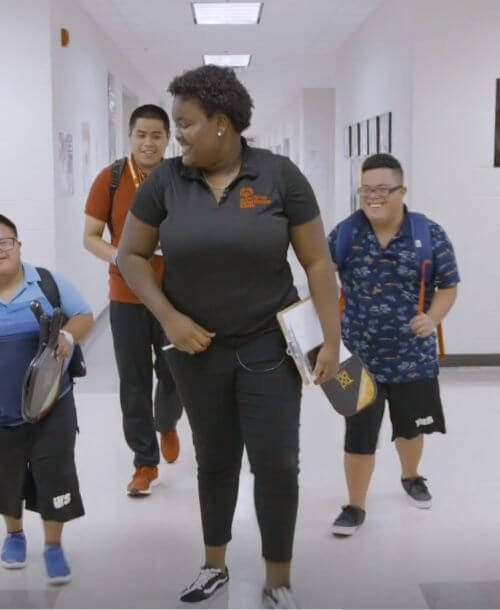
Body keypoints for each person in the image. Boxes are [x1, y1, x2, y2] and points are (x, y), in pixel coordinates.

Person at [117, 65, 340, 609]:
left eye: (186, 123)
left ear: (222, 123)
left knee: (277, 462)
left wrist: (331, 340)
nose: (177, 135)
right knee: (215, 460)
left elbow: (316, 262)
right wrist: (169, 318)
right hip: (197, 350)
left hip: (269, 344)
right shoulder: (167, 181)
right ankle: (213, 564)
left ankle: (277, 578)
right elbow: (130, 255)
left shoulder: (278, 176)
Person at [327, 153, 460, 536]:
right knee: (359, 431)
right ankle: (354, 506)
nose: (373, 196)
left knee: (410, 429)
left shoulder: (429, 233)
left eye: (383, 189)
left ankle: (411, 476)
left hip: (413, 358)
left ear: (402, 191)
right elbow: (321, 275)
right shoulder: (346, 233)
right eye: (366, 189)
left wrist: (433, 318)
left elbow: (448, 286)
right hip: (356, 357)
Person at [84, 104, 183, 496]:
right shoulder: (109, 179)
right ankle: (144, 462)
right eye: (141, 135)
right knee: (133, 382)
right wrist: (124, 257)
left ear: (168, 139)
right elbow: (90, 236)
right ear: (130, 136)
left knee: (175, 374)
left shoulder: (182, 179)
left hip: (175, 297)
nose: (148, 142)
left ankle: (167, 422)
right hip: (126, 297)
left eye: (156, 135)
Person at [0, 214, 93, 583]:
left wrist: (68, 338)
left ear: (19, 245)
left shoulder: (48, 283)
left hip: (53, 404)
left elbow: (84, 315)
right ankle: (14, 535)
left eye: (4, 242)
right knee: (6, 477)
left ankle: (53, 545)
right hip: (2, 413)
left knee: (54, 473)